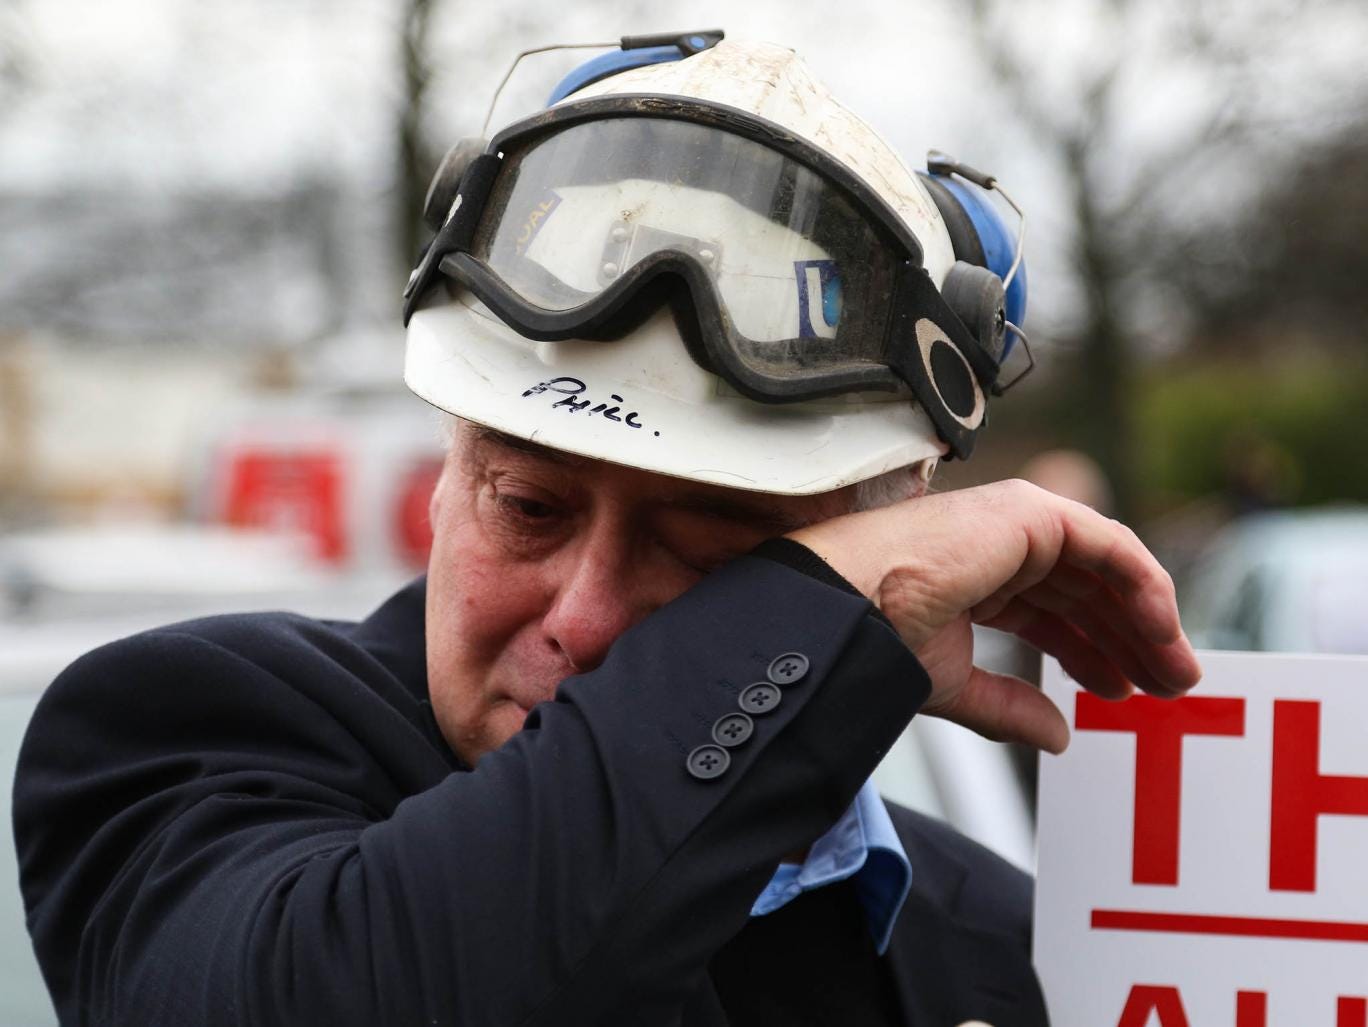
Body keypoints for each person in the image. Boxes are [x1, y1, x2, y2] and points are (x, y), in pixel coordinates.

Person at [13, 36, 1200, 1026]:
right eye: (529, 507)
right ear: (447, 472)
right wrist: (822, 616)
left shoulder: (1006, 949)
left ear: (898, 526)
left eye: (713, 550)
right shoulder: (183, 737)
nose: (581, 619)